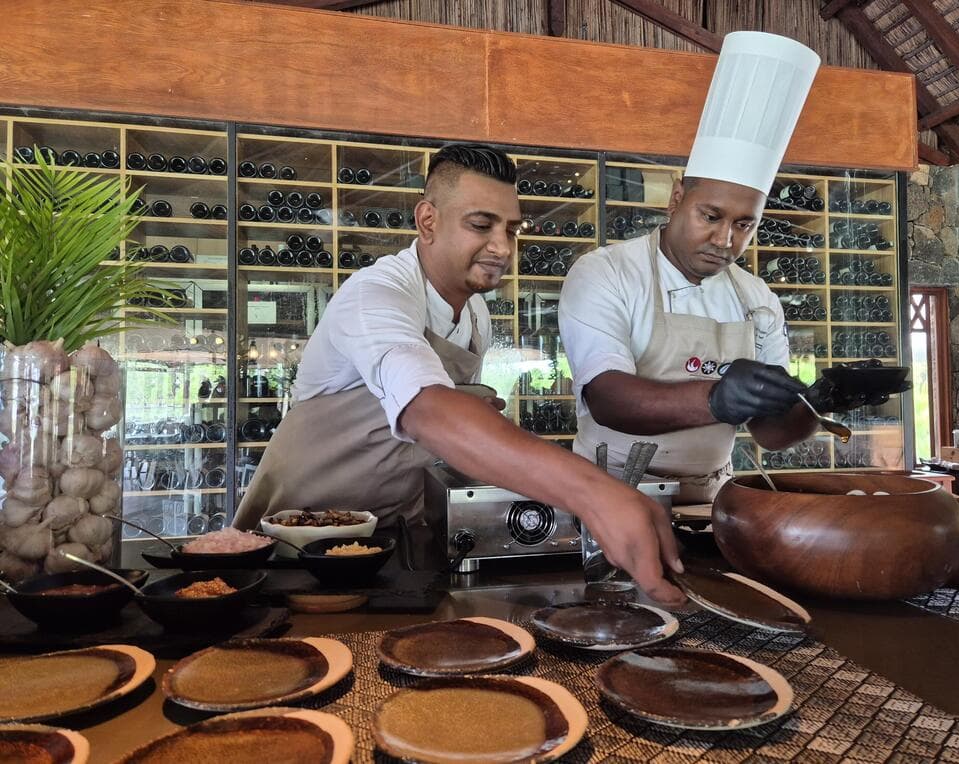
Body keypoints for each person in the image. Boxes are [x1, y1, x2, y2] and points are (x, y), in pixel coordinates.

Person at [234, 143, 684, 604]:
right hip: (300, 544)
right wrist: (596, 494)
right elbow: (428, 412)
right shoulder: (375, 295)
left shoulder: (476, 315)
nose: (502, 247)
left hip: (395, 534)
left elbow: (442, 433)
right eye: (481, 225)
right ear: (428, 221)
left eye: (511, 229)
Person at [559, 32, 898, 501]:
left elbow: (770, 434)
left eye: (745, 224)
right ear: (677, 199)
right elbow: (609, 400)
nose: (725, 240)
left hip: (710, 496)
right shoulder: (606, 273)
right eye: (711, 216)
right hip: (608, 492)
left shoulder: (756, 298)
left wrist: (815, 403)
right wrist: (716, 398)